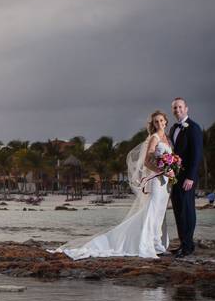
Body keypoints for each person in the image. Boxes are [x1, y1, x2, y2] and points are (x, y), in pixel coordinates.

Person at [56, 111, 172, 260]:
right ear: (153, 124)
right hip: (156, 180)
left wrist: (171, 169)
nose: (159, 123)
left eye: (161, 120)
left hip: (165, 182)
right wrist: (162, 171)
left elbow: (169, 159)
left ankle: (157, 244)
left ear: (166, 122)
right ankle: (146, 244)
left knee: (160, 213)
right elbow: (147, 162)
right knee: (152, 211)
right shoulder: (154, 138)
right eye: (156, 121)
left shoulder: (167, 139)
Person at [169, 97, 203, 257]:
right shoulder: (172, 129)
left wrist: (190, 177)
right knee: (177, 210)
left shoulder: (194, 128)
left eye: (180, 107)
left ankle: (188, 246)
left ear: (186, 108)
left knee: (187, 210)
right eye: (175, 108)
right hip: (175, 177)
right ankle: (183, 243)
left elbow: (197, 156)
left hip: (187, 178)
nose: (178, 110)